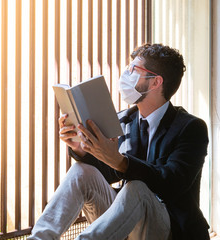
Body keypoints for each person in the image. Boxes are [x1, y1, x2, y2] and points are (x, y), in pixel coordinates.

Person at [27, 43, 210, 240]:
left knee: (137, 187)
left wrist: (120, 161)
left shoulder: (191, 128)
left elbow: (171, 183)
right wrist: (82, 150)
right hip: (127, 222)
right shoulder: (125, 119)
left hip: (169, 229)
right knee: (82, 171)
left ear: (156, 82)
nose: (126, 75)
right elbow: (107, 171)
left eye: (134, 70)